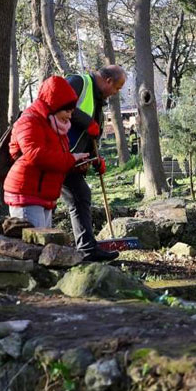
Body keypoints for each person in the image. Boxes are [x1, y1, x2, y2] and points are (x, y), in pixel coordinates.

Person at [4, 75, 89, 229]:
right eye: (67, 111)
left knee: (42, 247)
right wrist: (71, 159)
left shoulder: (56, 126)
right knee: (34, 248)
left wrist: (77, 164)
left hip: (43, 195)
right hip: (26, 195)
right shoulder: (29, 121)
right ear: (55, 106)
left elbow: (58, 159)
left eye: (71, 111)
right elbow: (35, 155)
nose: (70, 116)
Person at [63, 65, 128, 262]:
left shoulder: (99, 100)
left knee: (81, 195)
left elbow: (91, 135)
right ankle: (85, 249)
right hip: (56, 154)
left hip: (73, 161)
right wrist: (86, 122)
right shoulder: (78, 82)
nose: (115, 93)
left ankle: (88, 250)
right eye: (117, 88)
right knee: (62, 199)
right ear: (108, 81)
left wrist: (95, 158)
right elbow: (58, 103)